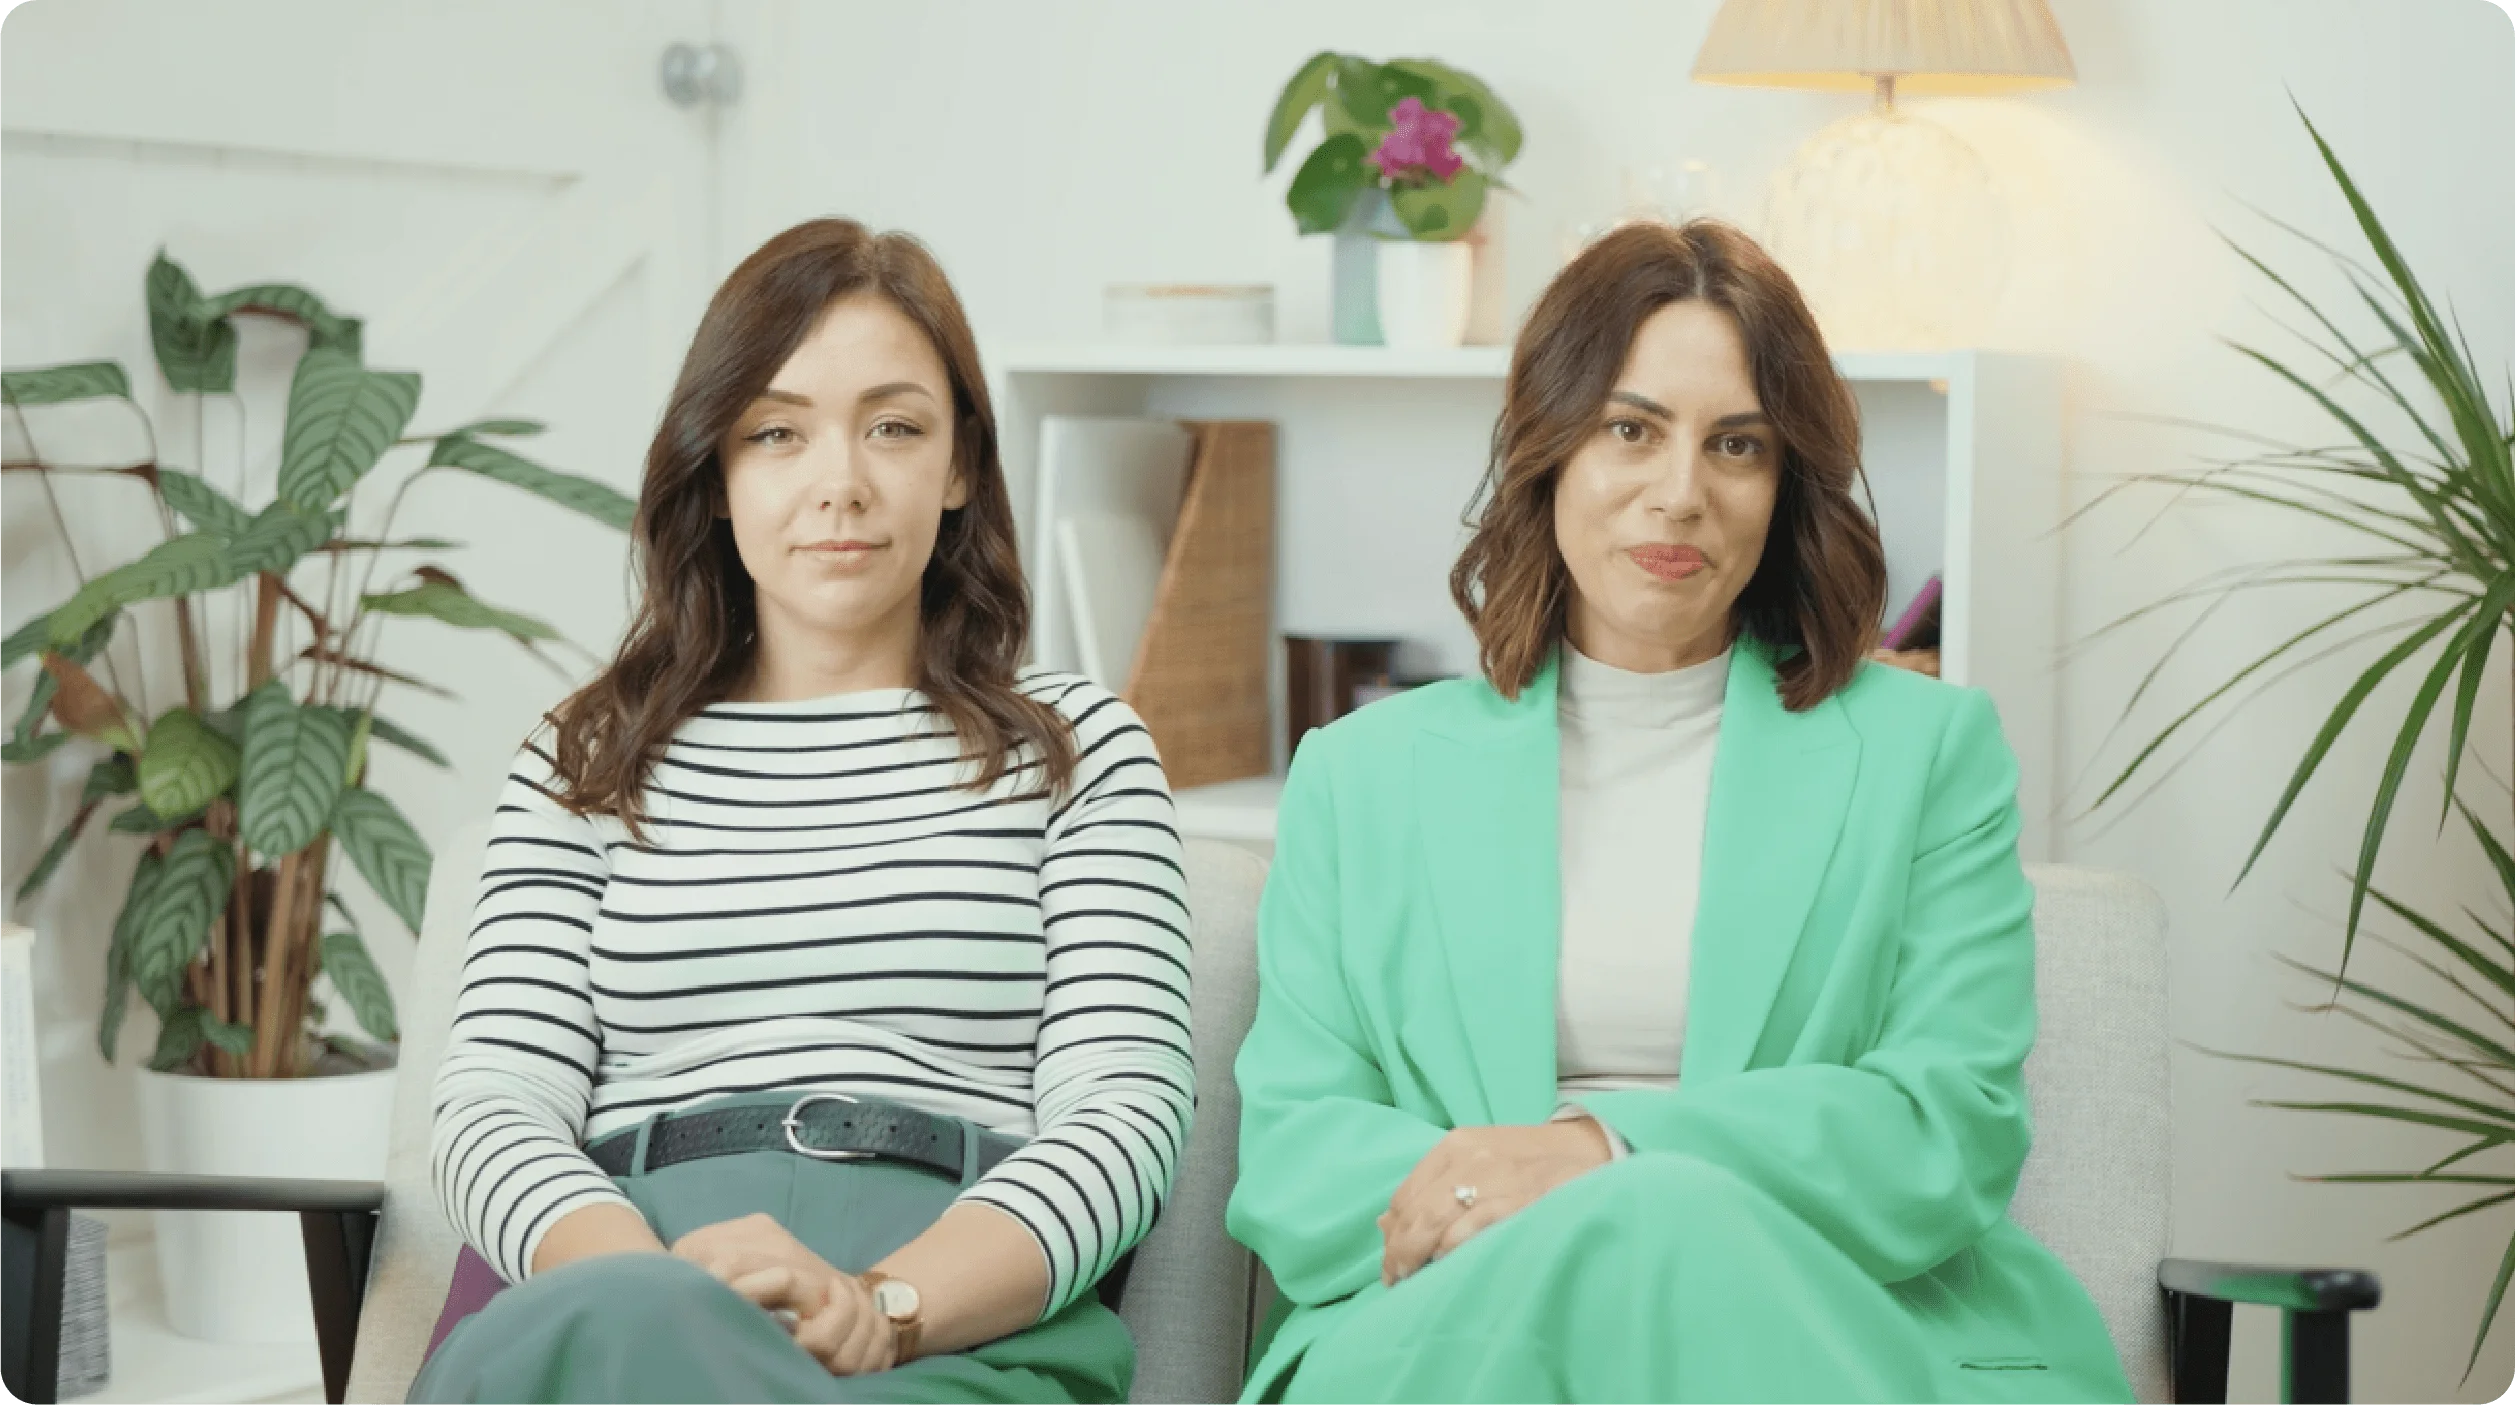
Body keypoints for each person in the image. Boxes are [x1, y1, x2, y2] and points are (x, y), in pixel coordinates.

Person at [1225, 220, 2134, 1404]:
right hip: (1455, 1319)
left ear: (1784, 482)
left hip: (1812, 1317)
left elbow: (1943, 1128)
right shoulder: (1360, 774)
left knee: (1658, 1227)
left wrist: (1598, 1155)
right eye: (1630, 429)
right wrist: (1537, 1220)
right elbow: (1297, 1153)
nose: (1679, 494)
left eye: (1736, 445)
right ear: (1549, 449)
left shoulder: (1928, 754)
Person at [411, 218, 1190, 1405]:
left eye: (894, 428)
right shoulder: (588, 757)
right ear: (716, 475)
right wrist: (663, 1297)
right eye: (777, 432)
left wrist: (883, 1306)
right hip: (621, 1273)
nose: (841, 483)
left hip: (948, 1307)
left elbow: (1123, 1117)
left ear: (960, 466)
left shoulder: (1077, 750)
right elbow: (493, 1105)